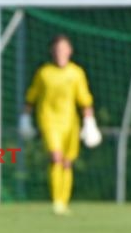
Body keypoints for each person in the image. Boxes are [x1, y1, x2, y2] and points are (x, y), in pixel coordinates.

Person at [19, 34, 102, 216]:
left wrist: (90, 122)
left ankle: (64, 202)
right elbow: (31, 97)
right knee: (56, 157)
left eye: (63, 49)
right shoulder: (44, 72)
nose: (60, 52)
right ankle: (57, 202)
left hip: (70, 122)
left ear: (70, 51)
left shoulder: (76, 72)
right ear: (52, 51)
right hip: (49, 120)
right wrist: (25, 118)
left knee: (67, 161)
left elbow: (84, 100)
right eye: (57, 49)